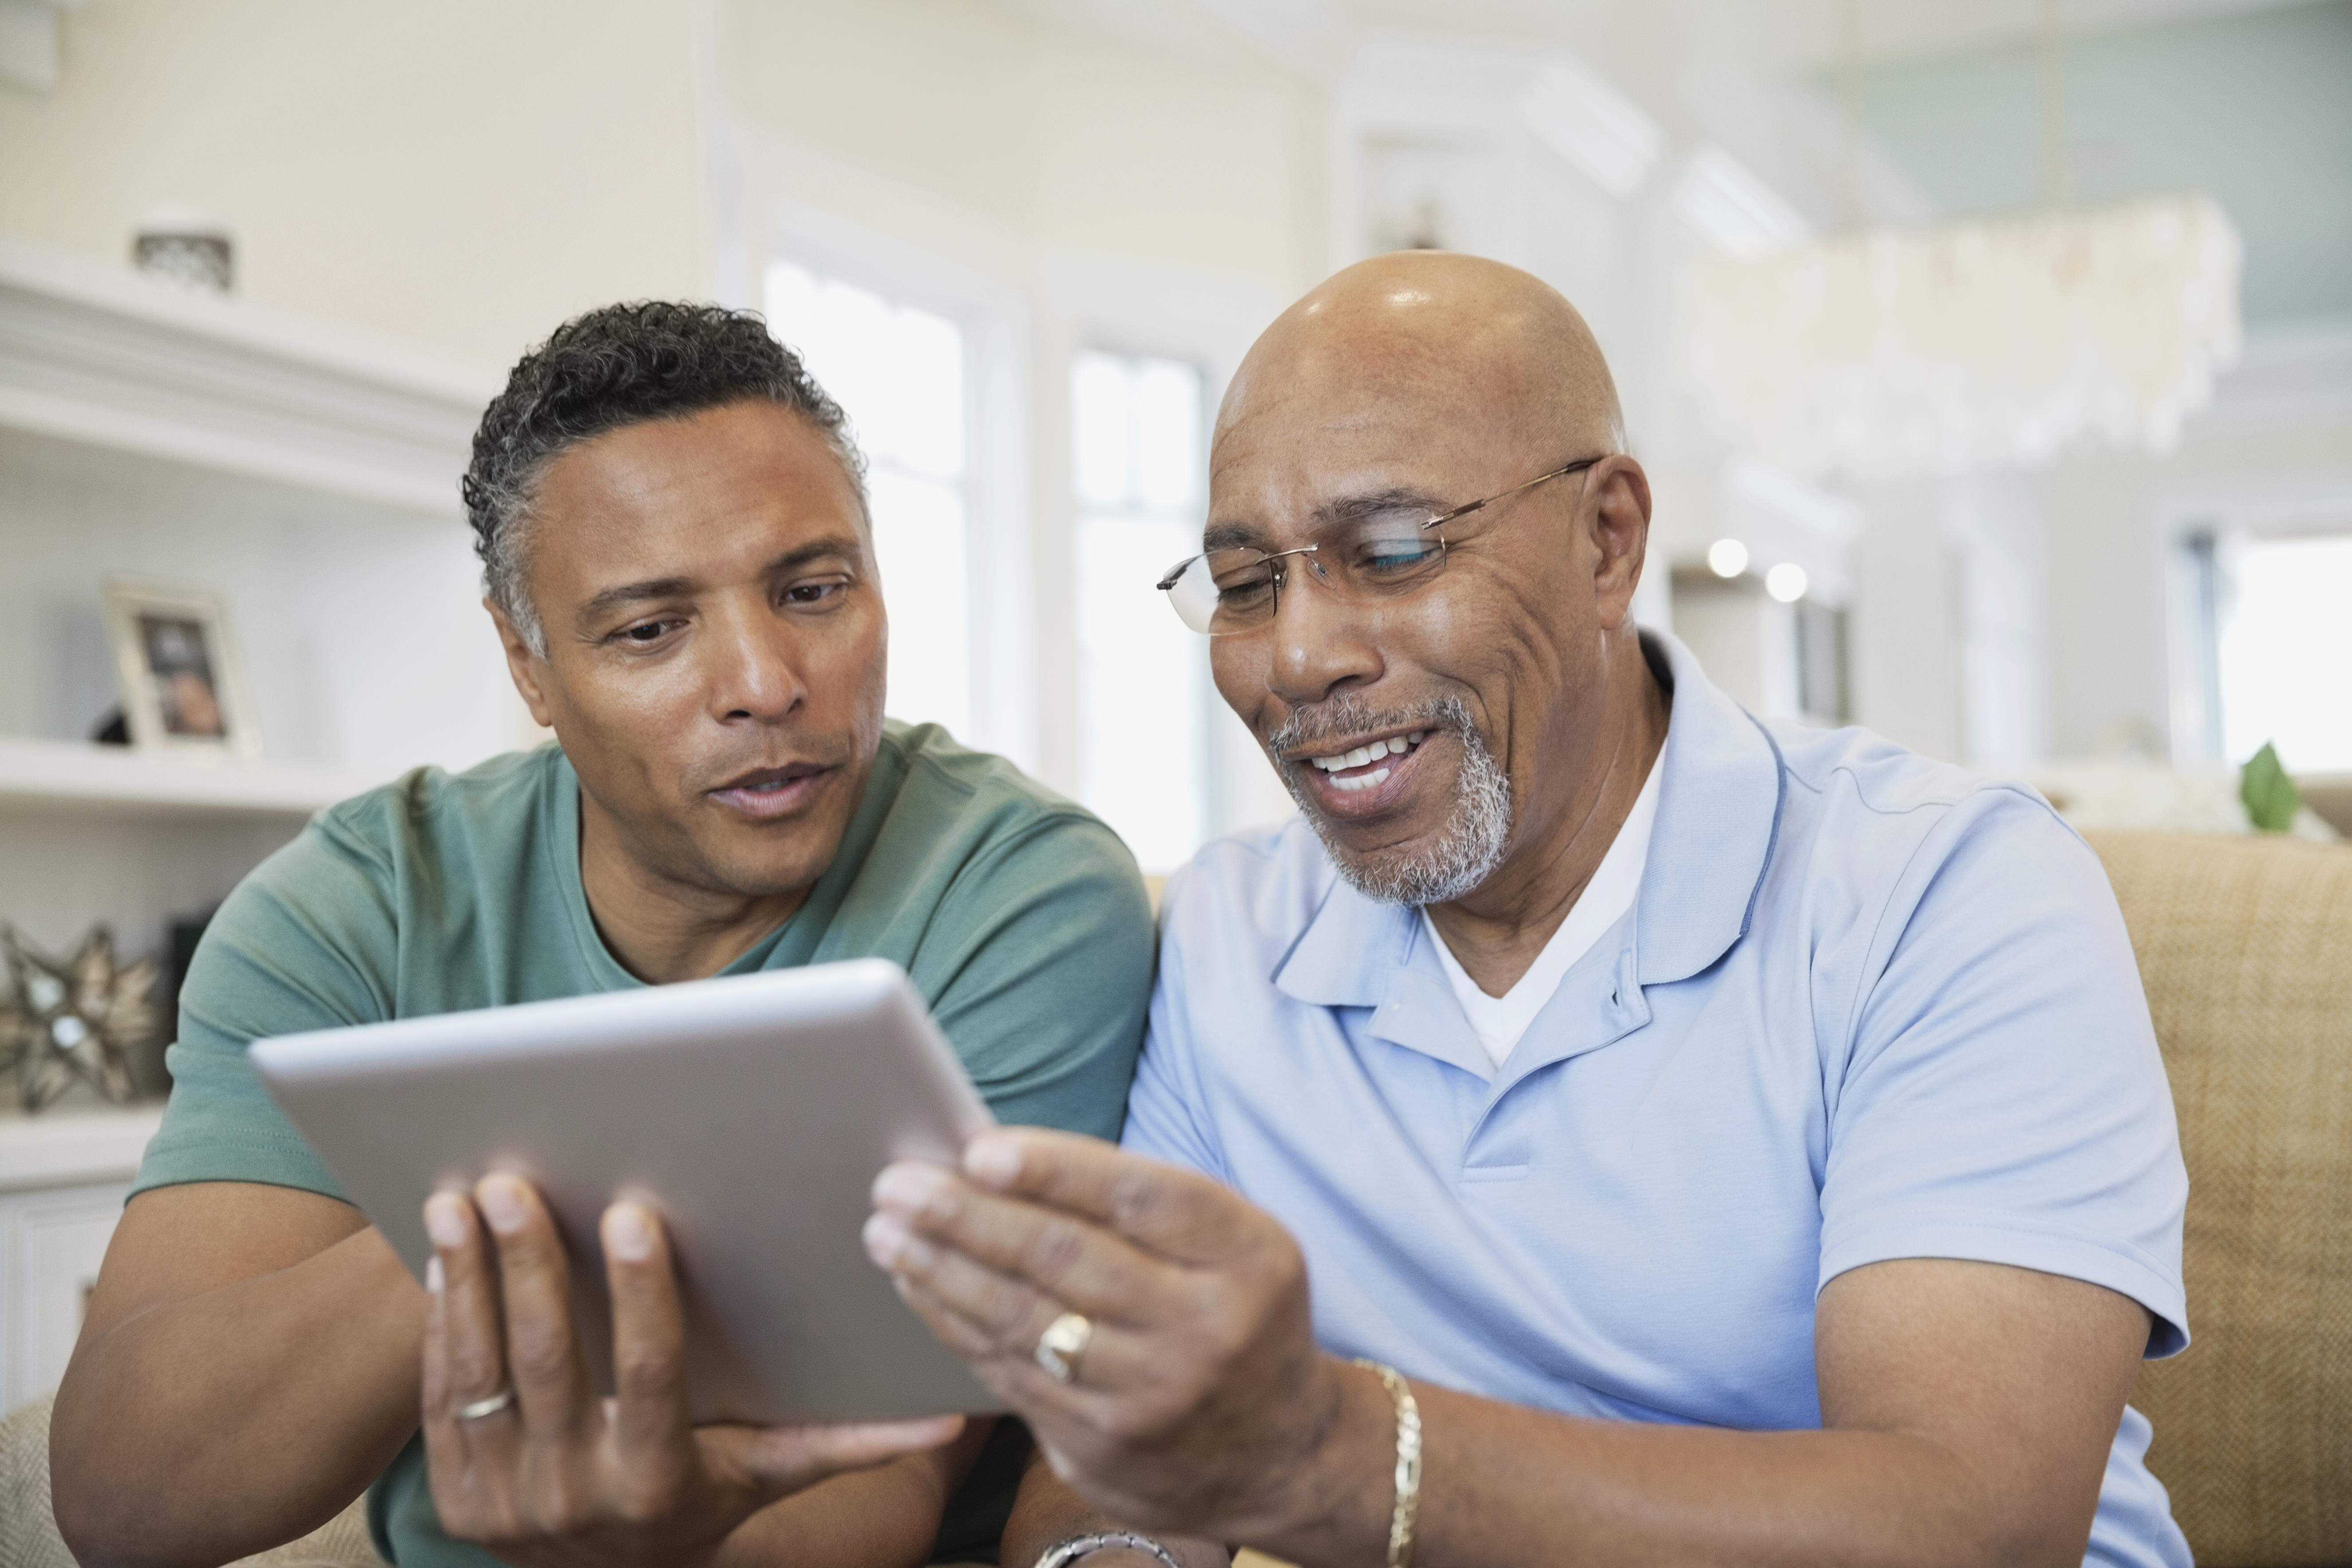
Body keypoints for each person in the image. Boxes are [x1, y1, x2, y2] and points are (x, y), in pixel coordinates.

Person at [863, 253, 2192, 1568]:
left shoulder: (1944, 894)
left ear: (1606, 541)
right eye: (1248, 583)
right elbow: (1120, 1467)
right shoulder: (1223, 939)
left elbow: (1965, 1525)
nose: (1300, 655)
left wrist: (1334, 1454)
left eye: (1390, 551)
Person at [52, 304, 1155, 1568]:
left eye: (813, 589)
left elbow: (885, 1482)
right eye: (650, 629)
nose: (764, 681)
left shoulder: (1016, 890)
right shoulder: (356, 903)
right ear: (528, 667)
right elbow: (125, 1498)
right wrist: (517, 1212)